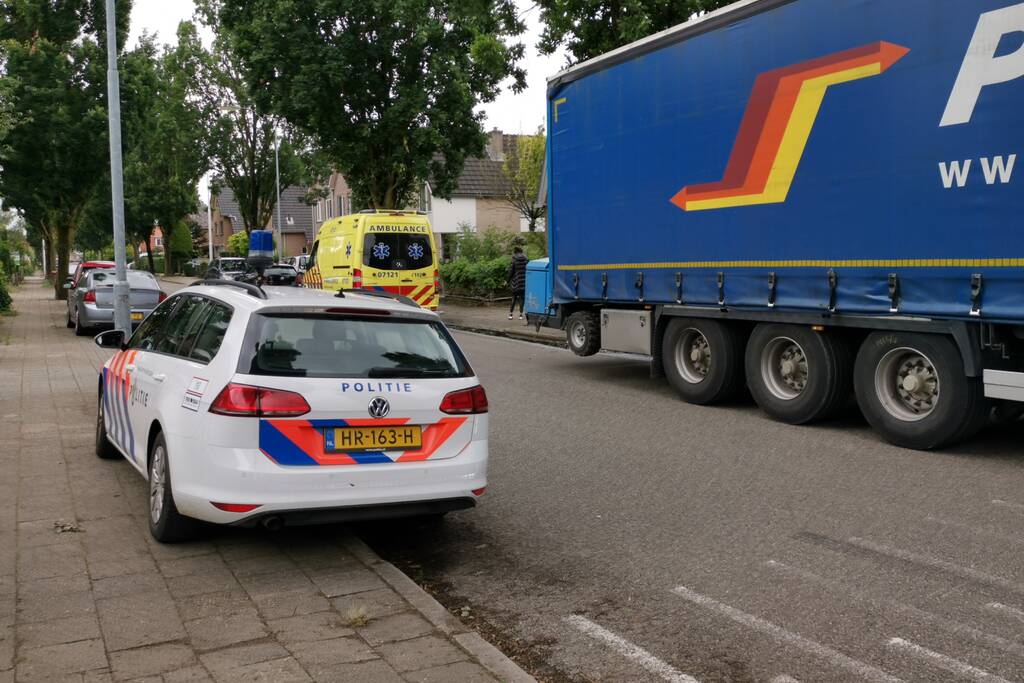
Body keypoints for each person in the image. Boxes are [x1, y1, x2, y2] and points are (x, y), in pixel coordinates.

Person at [507, 246, 528, 320]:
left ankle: (510, 314)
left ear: (515, 252)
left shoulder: (514, 259)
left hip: (516, 282)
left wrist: (507, 280)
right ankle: (521, 315)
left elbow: (511, 272)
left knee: (514, 297)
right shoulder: (526, 259)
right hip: (523, 282)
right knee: (522, 298)